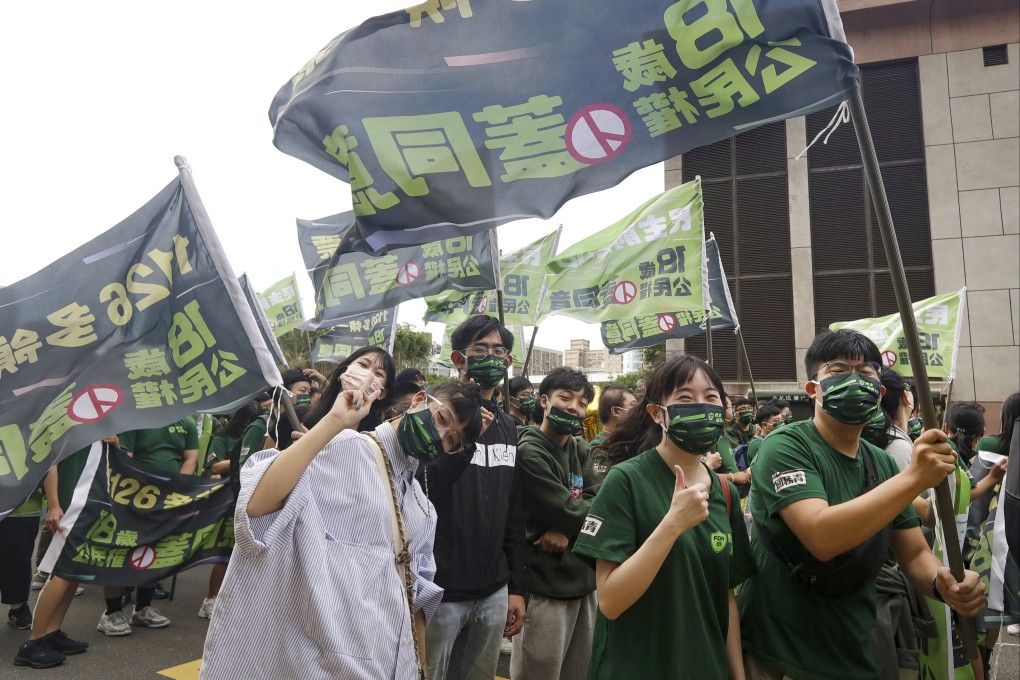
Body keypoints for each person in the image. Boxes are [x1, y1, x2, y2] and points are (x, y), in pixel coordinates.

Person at [738, 329, 986, 680]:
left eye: (866, 374)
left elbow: (914, 554)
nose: (854, 382)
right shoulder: (785, 446)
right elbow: (820, 536)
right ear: (813, 389)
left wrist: (941, 581)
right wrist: (914, 477)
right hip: (781, 653)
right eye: (838, 372)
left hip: (853, 646)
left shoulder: (881, 463)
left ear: (879, 392)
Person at [200, 378, 483, 679]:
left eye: (452, 440)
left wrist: (421, 667)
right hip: (317, 665)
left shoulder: (422, 509)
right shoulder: (346, 448)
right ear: (419, 400)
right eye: (442, 419)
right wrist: (334, 422)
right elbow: (255, 506)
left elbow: (417, 599)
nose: (440, 436)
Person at [574, 354, 754, 679]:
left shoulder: (724, 493)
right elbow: (611, 601)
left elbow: (725, 597)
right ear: (657, 413)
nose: (701, 406)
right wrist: (672, 525)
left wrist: (737, 675)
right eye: (685, 398)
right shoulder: (626, 480)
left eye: (710, 397)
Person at [420, 315, 528, 680]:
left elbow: (513, 511)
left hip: (495, 589)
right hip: (441, 590)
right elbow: (425, 489)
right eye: (479, 349)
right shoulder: (437, 416)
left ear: (509, 362)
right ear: (458, 358)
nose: (491, 357)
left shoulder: (509, 426)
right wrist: (466, 441)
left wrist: (516, 586)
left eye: (499, 351)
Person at [512, 367, 598, 680]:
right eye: (565, 398)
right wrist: (570, 516)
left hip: (585, 582)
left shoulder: (579, 447)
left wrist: (564, 528)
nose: (574, 407)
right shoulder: (530, 450)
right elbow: (568, 509)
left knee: (580, 672)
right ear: (545, 401)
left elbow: (601, 503)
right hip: (545, 586)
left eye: (581, 402)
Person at [97, 419, 199, 636]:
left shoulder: (187, 424)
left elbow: (190, 458)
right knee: (122, 550)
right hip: (132, 496)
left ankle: (142, 608)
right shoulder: (139, 420)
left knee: (155, 551)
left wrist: (177, 487)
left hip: (167, 499)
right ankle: (111, 612)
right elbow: (126, 460)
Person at [303, 347, 395, 433]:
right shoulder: (299, 416)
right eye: (363, 365)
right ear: (345, 368)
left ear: (382, 393)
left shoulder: (376, 436)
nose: (368, 374)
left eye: (378, 374)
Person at [589, 386, 637, 480]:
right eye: (633, 406)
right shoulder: (597, 447)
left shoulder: (628, 442)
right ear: (615, 411)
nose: (638, 412)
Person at [743, 403, 783, 469]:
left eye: (782, 419)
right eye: (777, 420)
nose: (781, 423)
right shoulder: (757, 444)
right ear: (764, 424)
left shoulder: (779, 439)